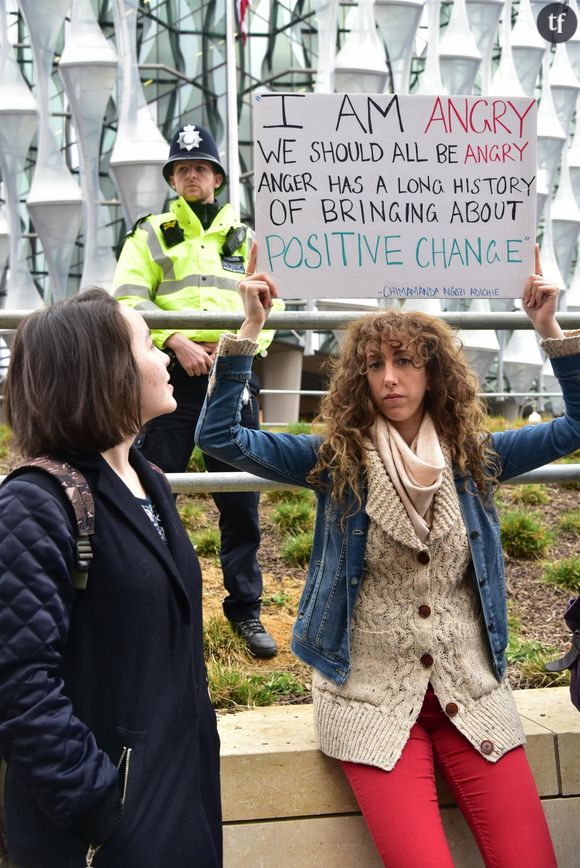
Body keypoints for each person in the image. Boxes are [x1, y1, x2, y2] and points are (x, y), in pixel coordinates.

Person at [195, 244, 580, 867]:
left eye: (405, 362)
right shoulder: (333, 463)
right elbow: (219, 438)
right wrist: (250, 329)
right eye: (374, 365)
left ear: (435, 373)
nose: (390, 378)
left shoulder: (475, 458)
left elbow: (577, 427)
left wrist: (547, 329)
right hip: (370, 703)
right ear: (359, 378)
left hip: (473, 695)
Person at [0, 289, 221, 868]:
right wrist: (98, 801)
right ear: (105, 372)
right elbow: (17, 680)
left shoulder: (148, 479)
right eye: (149, 344)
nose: (165, 358)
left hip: (179, 798)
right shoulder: (35, 504)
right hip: (102, 832)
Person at [113, 122, 283, 658]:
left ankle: (246, 610)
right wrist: (178, 340)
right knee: (153, 489)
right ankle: (154, 604)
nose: (191, 175)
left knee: (240, 497)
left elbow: (272, 309)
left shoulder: (249, 237)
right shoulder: (150, 232)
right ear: (172, 178)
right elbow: (127, 300)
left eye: (200, 167)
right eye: (182, 168)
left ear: (216, 177)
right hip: (167, 377)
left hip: (232, 375)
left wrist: (234, 354)